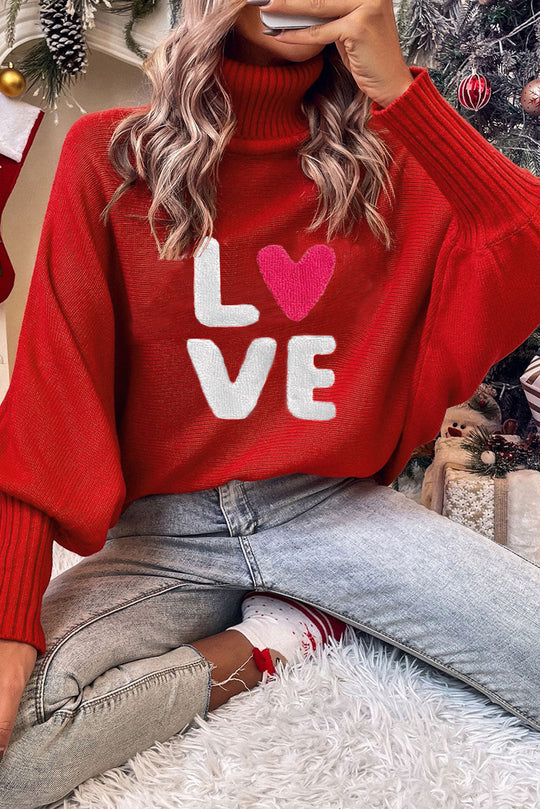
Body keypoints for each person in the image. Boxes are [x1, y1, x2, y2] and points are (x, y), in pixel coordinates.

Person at [1, 0, 539, 804]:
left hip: (330, 511)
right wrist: (9, 623)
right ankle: (272, 642)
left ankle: (300, 611)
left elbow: (528, 247)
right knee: (16, 751)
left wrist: (404, 93)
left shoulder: (402, 156)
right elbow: (49, 398)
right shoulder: (108, 156)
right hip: (165, 531)